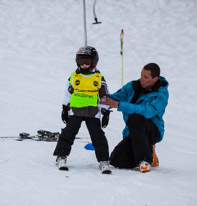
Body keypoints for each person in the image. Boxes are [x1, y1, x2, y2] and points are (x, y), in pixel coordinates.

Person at [100, 63, 169, 172]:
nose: (141, 79)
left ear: (155, 79)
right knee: (116, 160)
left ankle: (145, 160)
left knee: (136, 117)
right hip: (133, 131)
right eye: (141, 75)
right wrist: (99, 96)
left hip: (152, 131)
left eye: (145, 77)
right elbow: (115, 98)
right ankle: (148, 150)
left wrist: (119, 105)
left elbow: (145, 111)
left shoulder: (161, 95)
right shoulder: (132, 86)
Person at [53, 46, 111, 174]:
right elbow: (68, 93)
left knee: (98, 136)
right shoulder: (74, 76)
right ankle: (61, 156)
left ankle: (104, 160)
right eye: (81, 62)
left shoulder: (98, 77)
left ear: (94, 62)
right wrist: (65, 107)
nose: (84, 65)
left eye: (87, 62)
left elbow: (104, 95)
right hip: (76, 111)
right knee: (68, 134)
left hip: (93, 112)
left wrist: (105, 111)